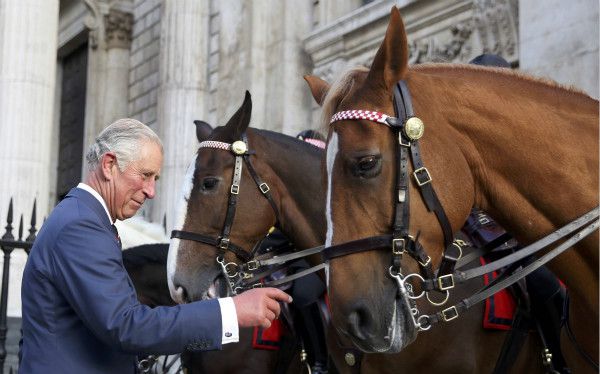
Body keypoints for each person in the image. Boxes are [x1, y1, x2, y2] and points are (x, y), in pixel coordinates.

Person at [19, 118, 292, 374]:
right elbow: (126, 326)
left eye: (155, 179)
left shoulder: (83, 217)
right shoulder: (80, 226)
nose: (151, 192)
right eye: (145, 175)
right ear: (109, 165)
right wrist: (232, 312)